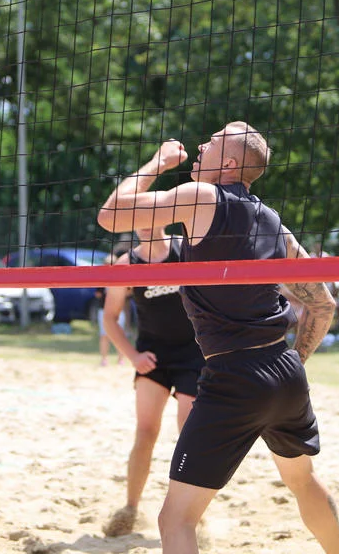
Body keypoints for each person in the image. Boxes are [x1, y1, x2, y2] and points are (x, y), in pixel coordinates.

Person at [98, 122, 339, 554]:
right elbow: (323, 305)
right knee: (303, 483)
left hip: (233, 376)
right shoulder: (273, 222)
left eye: (211, 142)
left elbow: (110, 215)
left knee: (175, 518)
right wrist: (293, 362)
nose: (201, 145)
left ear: (228, 163)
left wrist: (158, 162)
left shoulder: (202, 196)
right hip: (284, 373)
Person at [101, 226, 205, 538]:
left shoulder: (187, 250)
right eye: (139, 216)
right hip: (152, 355)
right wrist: (132, 356)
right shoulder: (127, 264)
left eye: (151, 213)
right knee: (146, 431)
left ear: (165, 215)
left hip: (193, 353)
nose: (145, 222)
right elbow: (109, 317)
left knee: (190, 433)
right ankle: (130, 508)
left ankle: (190, 513)